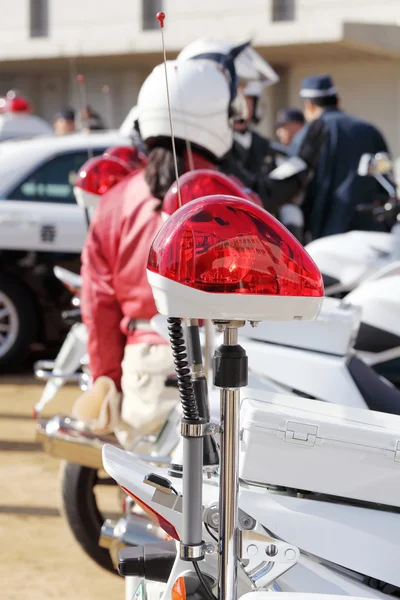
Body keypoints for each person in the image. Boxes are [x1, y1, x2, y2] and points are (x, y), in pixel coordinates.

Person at [292, 74, 390, 240]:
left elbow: (294, 185)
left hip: (324, 237)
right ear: (337, 101)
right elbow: (386, 178)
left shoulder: (307, 136)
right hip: (373, 233)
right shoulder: (369, 130)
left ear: (309, 105)